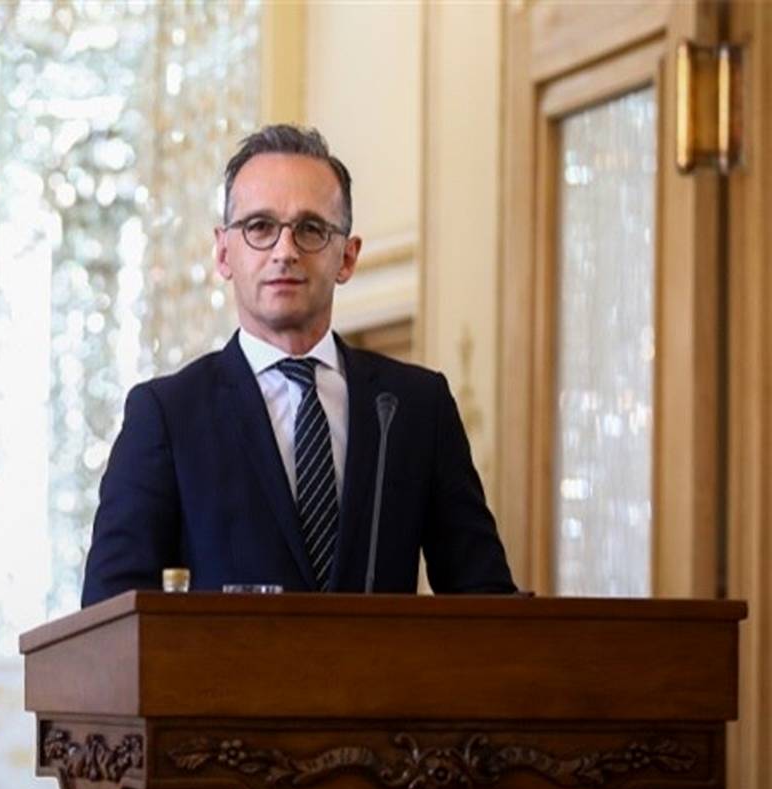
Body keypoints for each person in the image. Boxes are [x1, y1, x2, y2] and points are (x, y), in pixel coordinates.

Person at [81, 125, 515, 607]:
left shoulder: (415, 407)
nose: (285, 251)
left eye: (310, 229)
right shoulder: (167, 414)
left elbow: (487, 601)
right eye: (260, 227)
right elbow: (110, 612)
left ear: (347, 257)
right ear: (223, 252)